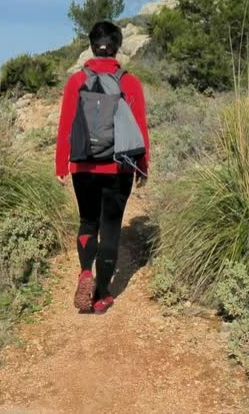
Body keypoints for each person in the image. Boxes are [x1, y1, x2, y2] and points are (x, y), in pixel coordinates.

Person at [54, 21, 150, 314]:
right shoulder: (129, 82)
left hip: (82, 166)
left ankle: (85, 272)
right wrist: (142, 167)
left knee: (88, 222)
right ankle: (103, 294)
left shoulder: (76, 82)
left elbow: (66, 125)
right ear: (118, 46)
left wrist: (62, 163)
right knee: (110, 229)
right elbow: (140, 129)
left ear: (92, 46)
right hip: (118, 169)